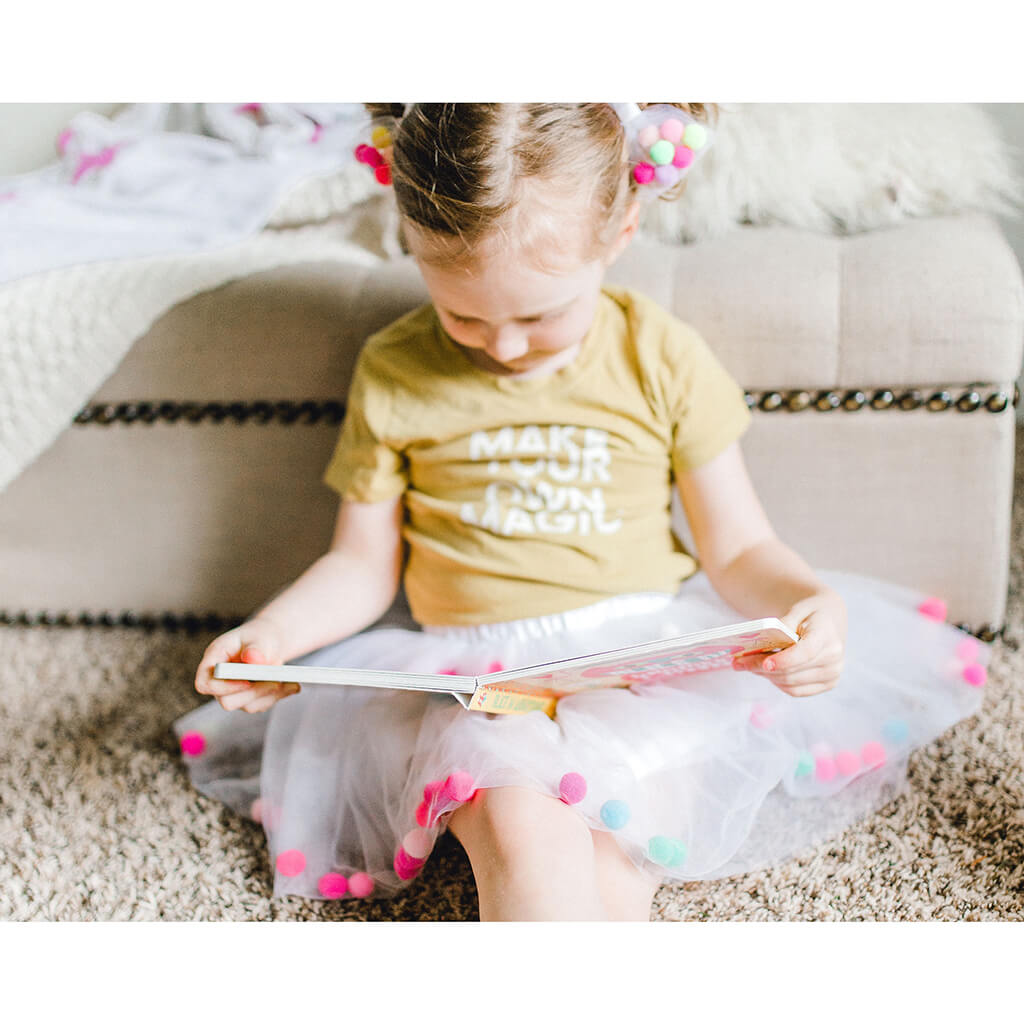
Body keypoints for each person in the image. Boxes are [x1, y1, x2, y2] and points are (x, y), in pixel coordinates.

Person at [175, 103, 987, 921]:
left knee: (616, 855)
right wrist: (276, 638)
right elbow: (359, 564)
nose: (506, 346)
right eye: (465, 314)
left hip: (645, 663)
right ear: (411, 244)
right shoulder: (394, 370)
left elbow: (739, 548)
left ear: (623, 227)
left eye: (539, 314)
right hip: (476, 681)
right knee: (525, 836)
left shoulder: (657, 354)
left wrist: (807, 607)